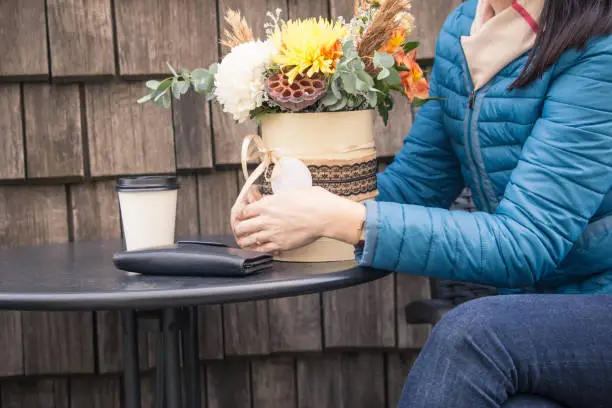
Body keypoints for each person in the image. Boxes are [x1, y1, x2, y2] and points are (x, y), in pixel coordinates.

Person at [232, 0, 612, 406]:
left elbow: (525, 242)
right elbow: (415, 186)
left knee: (472, 336)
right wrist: (291, 208)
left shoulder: (598, 45)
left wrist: (345, 220)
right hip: (533, 318)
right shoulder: (466, 27)